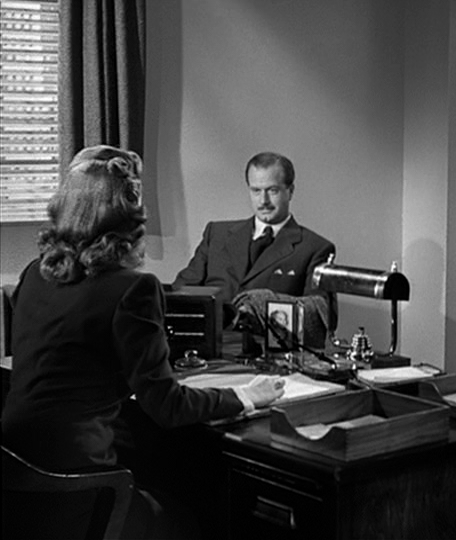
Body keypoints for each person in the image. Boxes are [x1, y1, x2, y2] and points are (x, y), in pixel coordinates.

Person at [1, 145, 285, 539]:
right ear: (129, 218)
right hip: (80, 488)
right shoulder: (133, 288)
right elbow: (167, 406)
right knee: (193, 519)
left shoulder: (35, 273)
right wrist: (246, 396)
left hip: (18, 478)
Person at [172, 151, 336, 348]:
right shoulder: (216, 234)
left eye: (272, 191)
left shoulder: (315, 248)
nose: (263, 201)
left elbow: (319, 317)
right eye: (256, 191)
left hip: (269, 356)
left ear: (290, 191)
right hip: (207, 351)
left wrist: (259, 303)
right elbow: (181, 291)